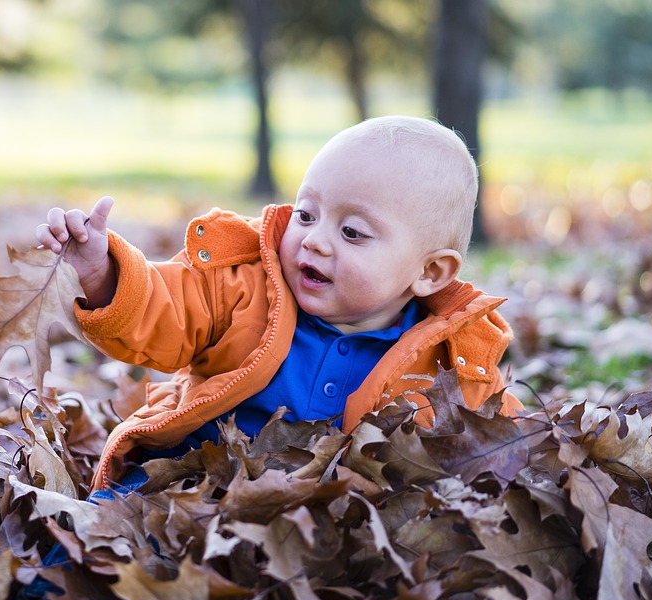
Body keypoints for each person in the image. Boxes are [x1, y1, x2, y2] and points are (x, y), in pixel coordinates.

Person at [36, 115, 521, 494]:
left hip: (322, 517)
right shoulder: (244, 284)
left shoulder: (452, 358)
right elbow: (163, 310)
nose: (314, 241)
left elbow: (499, 435)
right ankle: (55, 595)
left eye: (352, 232)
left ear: (429, 272)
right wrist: (102, 275)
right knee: (125, 507)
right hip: (194, 476)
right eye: (306, 214)